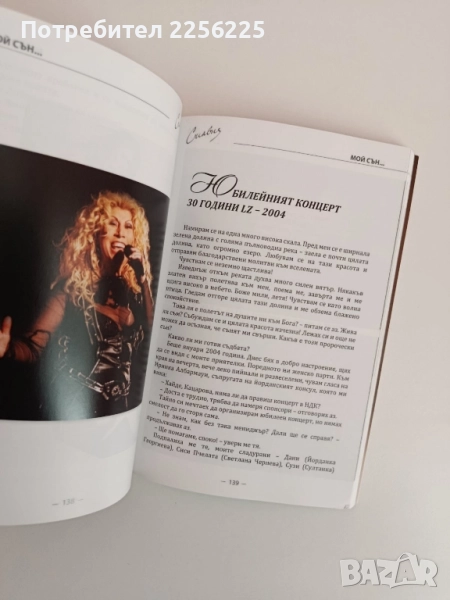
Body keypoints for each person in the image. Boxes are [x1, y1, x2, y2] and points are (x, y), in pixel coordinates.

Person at [0, 191, 154, 419]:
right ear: (96, 233)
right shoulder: (70, 295)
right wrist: (8, 349)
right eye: (113, 223)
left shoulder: (135, 295)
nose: (121, 232)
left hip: (120, 413)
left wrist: (143, 279)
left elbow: (155, 333)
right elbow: (33, 347)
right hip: (79, 411)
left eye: (128, 226)